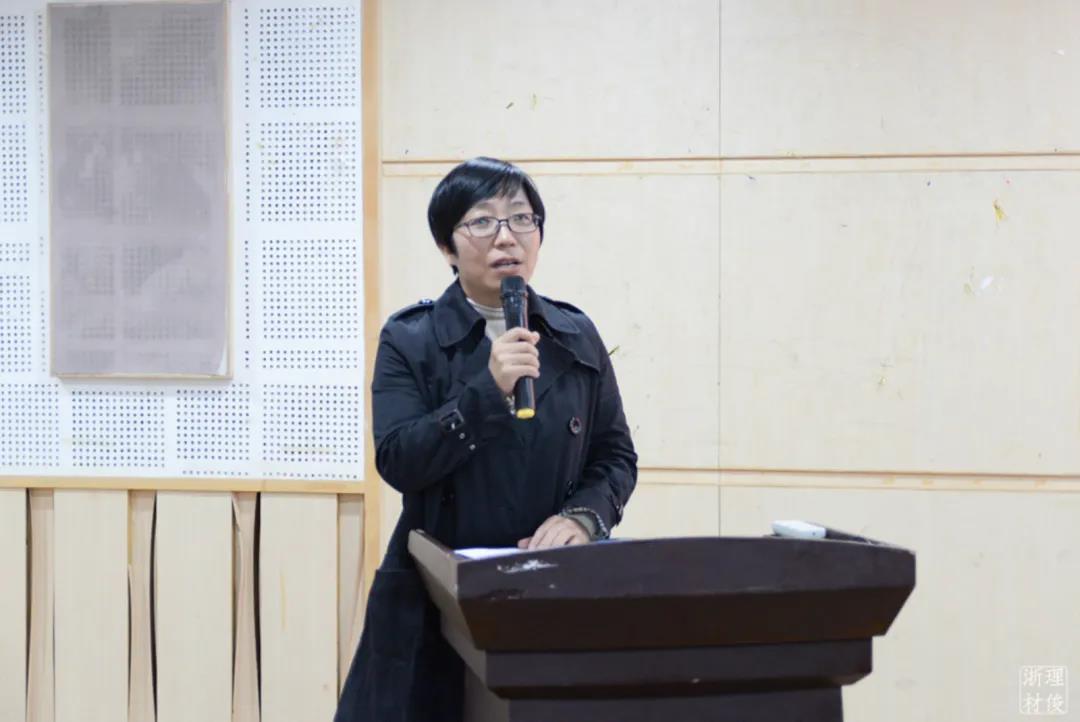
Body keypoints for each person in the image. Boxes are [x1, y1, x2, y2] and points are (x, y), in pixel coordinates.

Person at [335, 157, 637, 722]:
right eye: (482, 221)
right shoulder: (412, 338)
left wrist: (583, 519)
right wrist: (487, 391)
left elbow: (615, 456)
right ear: (446, 247)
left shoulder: (574, 335)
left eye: (522, 218)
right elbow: (398, 459)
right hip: (437, 595)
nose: (506, 237)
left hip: (548, 588)